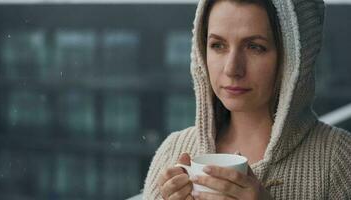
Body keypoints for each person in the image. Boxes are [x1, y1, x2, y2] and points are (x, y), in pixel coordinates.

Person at [143, 0, 351, 199]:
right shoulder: (173, 152)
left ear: (295, 57)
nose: (232, 69)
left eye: (255, 47)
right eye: (218, 45)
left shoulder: (339, 159)